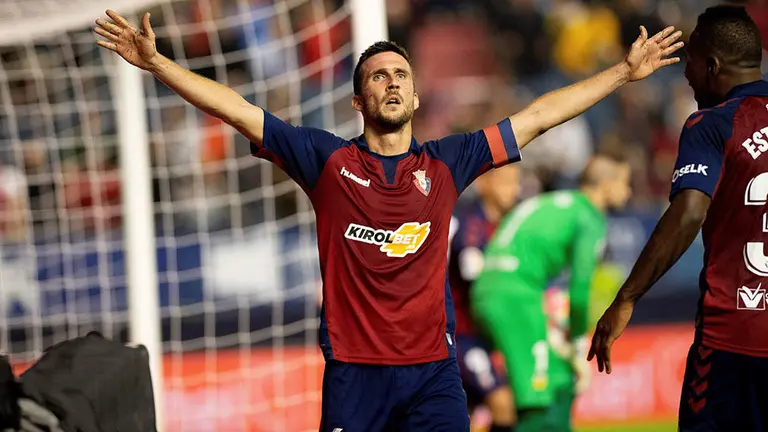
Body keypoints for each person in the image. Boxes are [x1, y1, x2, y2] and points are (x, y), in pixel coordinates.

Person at [93, 9, 682, 431]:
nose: (391, 82)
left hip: (433, 375)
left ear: (417, 96)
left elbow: (537, 116)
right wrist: (158, 65)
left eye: (401, 74)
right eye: (378, 76)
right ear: (358, 101)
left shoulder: (449, 162)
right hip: (355, 378)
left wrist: (622, 75)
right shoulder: (327, 160)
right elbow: (241, 111)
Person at [588, 5, 768, 431]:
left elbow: (688, 212)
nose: (685, 76)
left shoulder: (712, 124)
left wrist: (627, 297)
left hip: (733, 343)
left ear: (712, 65)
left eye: (689, 64)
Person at [471, 152, 632, 432]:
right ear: (606, 185)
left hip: (491, 289)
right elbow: (580, 291)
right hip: (515, 294)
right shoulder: (589, 217)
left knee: (543, 379)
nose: (628, 192)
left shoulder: (553, 203)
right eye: (624, 183)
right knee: (541, 393)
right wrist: (579, 342)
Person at [448, 164, 521, 432]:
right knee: (503, 406)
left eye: (516, 182)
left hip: (486, 338)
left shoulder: (509, 226)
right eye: (506, 182)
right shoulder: (471, 227)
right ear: (485, 184)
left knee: (463, 418)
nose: (514, 190)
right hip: (462, 339)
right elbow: (472, 273)